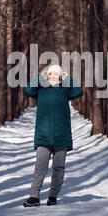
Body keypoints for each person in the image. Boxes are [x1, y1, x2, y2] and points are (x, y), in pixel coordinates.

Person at [23, 64, 83, 207]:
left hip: (61, 136)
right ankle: (34, 197)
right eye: (50, 74)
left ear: (61, 77)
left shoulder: (64, 90)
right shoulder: (41, 90)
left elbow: (78, 91)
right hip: (43, 136)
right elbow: (28, 90)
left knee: (58, 167)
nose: (53, 76)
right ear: (47, 75)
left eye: (56, 74)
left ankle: (53, 197)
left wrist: (69, 78)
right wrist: (39, 77)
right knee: (40, 166)